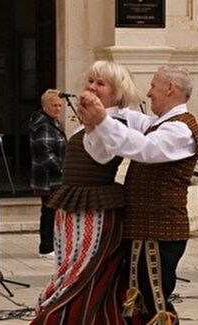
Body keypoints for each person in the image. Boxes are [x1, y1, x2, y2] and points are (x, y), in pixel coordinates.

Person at [79, 65, 198, 324]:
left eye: (153, 86)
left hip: (160, 229)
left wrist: (102, 120)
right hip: (145, 229)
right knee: (141, 300)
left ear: (169, 88)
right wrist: (99, 103)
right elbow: (125, 117)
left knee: (155, 300)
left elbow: (144, 148)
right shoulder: (158, 123)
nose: (148, 93)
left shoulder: (180, 129)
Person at [31, 60, 143, 324]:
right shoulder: (91, 120)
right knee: (69, 268)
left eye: (101, 83)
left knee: (81, 272)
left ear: (116, 91)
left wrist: (96, 122)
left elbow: (102, 155)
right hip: (75, 206)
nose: (92, 87)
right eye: (91, 80)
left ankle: (60, 317)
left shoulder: (116, 122)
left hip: (96, 209)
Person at [29, 89, 67, 259]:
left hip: (53, 177)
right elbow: (44, 151)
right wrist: (61, 168)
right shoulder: (43, 125)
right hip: (48, 178)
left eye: (60, 105)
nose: (58, 108)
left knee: (52, 211)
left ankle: (52, 244)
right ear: (45, 106)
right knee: (49, 211)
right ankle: (46, 247)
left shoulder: (53, 122)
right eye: (54, 105)